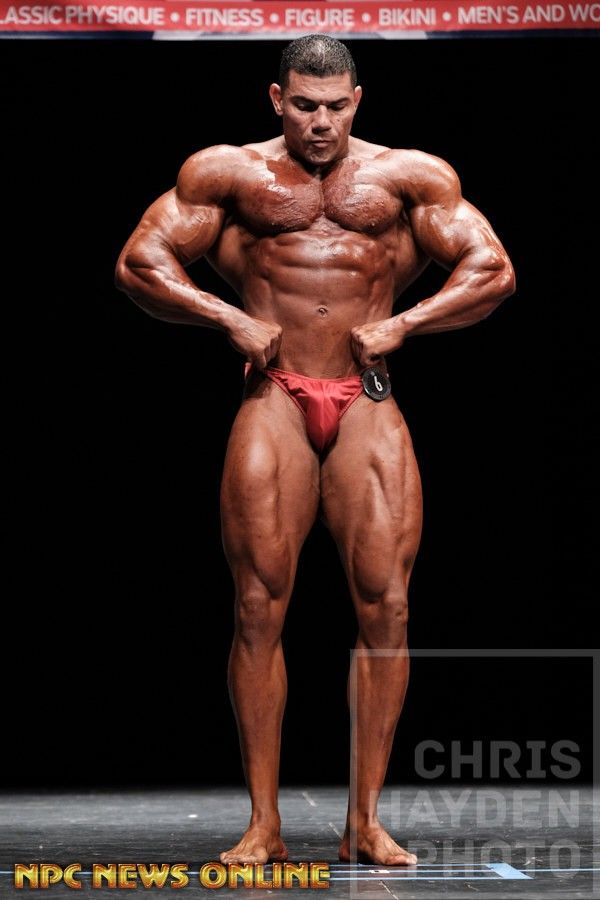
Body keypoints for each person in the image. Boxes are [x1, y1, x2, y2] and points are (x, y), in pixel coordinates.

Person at [115, 34, 515, 867]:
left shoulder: (409, 177)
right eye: (304, 106)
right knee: (258, 605)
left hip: (366, 398)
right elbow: (139, 262)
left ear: (357, 101)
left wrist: (404, 324)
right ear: (277, 99)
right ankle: (263, 823)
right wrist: (227, 317)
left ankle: (364, 822)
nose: (321, 122)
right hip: (276, 396)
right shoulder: (228, 173)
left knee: (388, 607)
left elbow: (492, 269)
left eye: (335, 106)